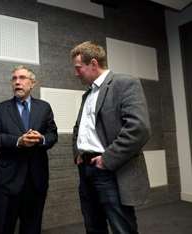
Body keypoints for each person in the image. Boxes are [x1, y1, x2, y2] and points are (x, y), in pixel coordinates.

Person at [71, 41, 151, 233]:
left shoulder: (125, 83)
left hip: (110, 170)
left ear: (93, 64)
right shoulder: (88, 93)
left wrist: (107, 159)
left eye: (78, 68)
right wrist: (78, 153)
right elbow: (79, 128)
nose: (76, 74)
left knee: (122, 228)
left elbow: (139, 128)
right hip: (87, 169)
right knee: (93, 227)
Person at [0, 65, 58, 234]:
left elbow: (53, 135)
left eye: (21, 78)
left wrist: (41, 139)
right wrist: (18, 141)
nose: (17, 82)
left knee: (32, 228)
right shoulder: (1, 108)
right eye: (14, 79)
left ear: (32, 83)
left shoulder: (44, 107)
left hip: (36, 179)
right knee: (3, 227)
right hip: (8, 179)